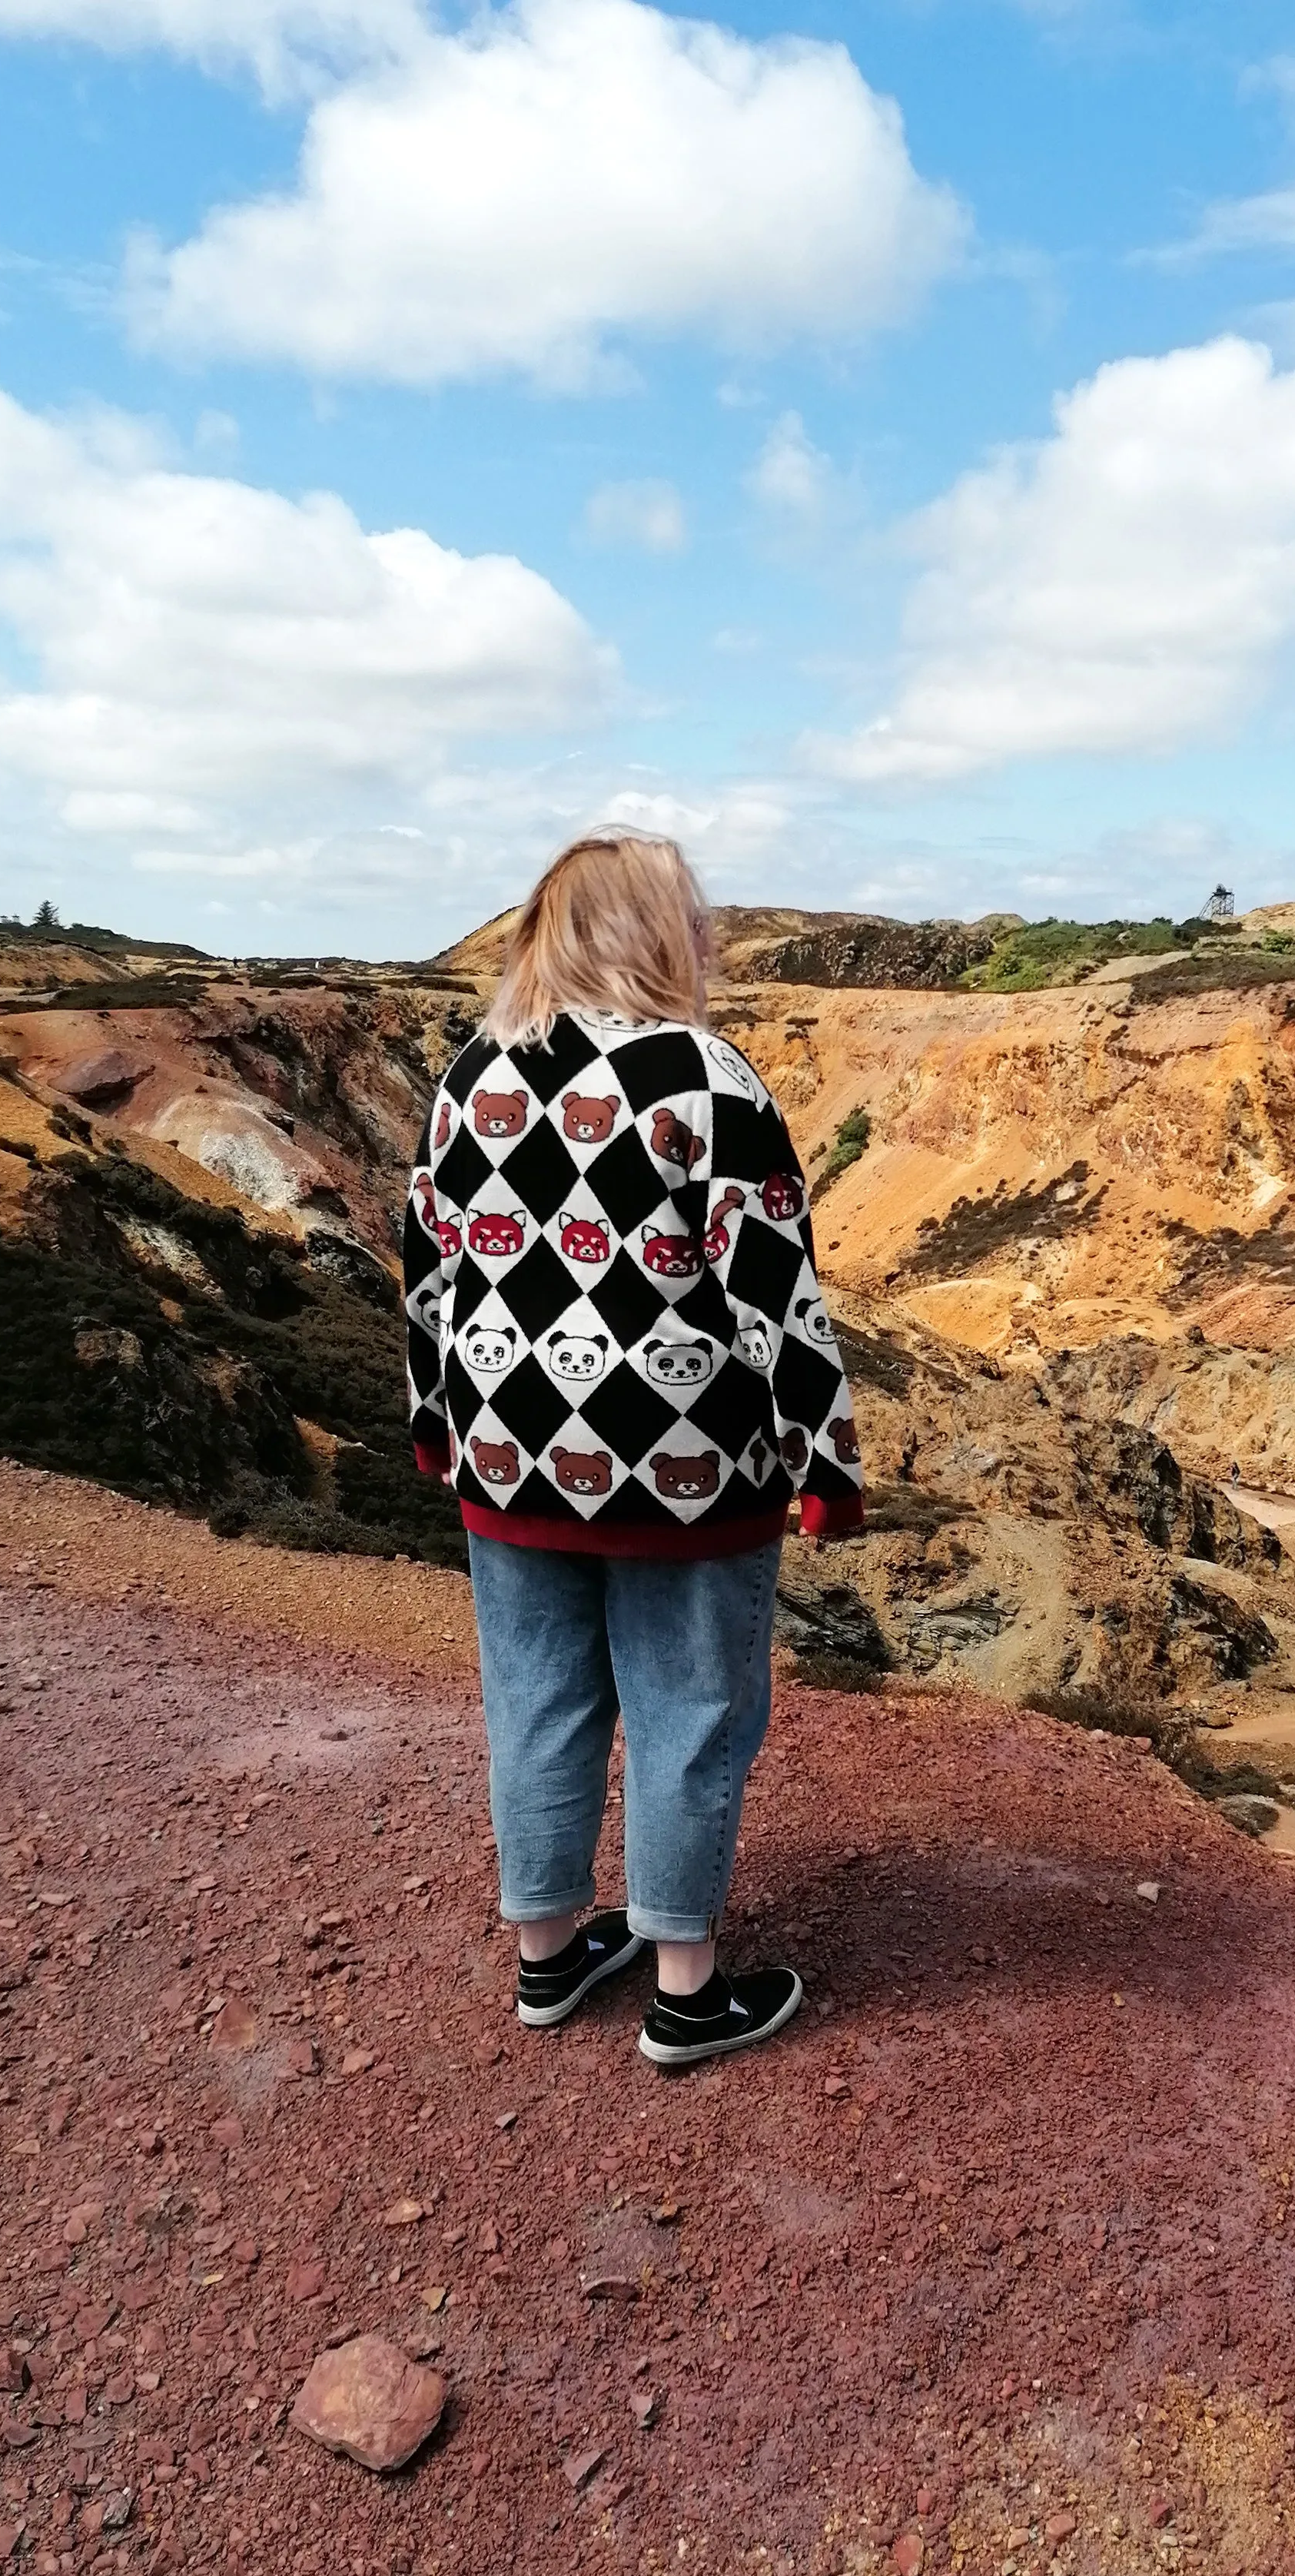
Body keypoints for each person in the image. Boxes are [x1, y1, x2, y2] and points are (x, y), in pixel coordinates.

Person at [402, 832, 864, 2066]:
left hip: (506, 1458)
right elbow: (772, 1287)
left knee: (536, 1701)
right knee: (690, 1711)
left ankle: (548, 1964)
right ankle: (684, 1993)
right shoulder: (706, 1080)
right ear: (658, 932)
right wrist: (822, 1457)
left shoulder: (472, 1077)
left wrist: (432, 1423)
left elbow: (430, 1271)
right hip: (686, 1471)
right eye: (691, 917)